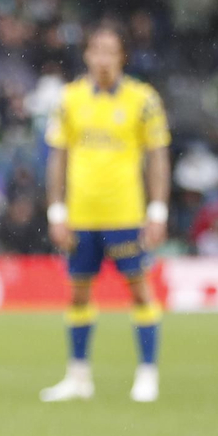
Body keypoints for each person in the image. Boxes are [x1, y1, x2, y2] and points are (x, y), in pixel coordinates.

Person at [40, 24, 171, 404]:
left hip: (126, 214)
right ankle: (78, 377)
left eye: (110, 51)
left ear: (122, 57)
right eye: (96, 50)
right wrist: (57, 212)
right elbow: (57, 158)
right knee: (78, 293)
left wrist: (158, 211)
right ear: (86, 55)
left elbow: (158, 157)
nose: (102, 58)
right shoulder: (69, 99)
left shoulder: (142, 99)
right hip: (80, 216)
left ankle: (147, 374)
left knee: (139, 290)